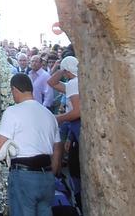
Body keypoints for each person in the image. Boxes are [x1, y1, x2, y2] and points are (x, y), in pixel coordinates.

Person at [0, 73, 62, 216]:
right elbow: (57, 147)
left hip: (24, 175)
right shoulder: (48, 114)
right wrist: (52, 171)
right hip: (47, 175)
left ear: (14, 89)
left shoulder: (13, 111)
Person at [47, 56, 81, 209]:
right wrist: (63, 69)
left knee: (75, 168)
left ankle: (79, 200)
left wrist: (58, 118)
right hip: (74, 131)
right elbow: (51, 82)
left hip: (76, 126)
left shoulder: (74, 83)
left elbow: (77, 112)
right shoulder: (76, 82)